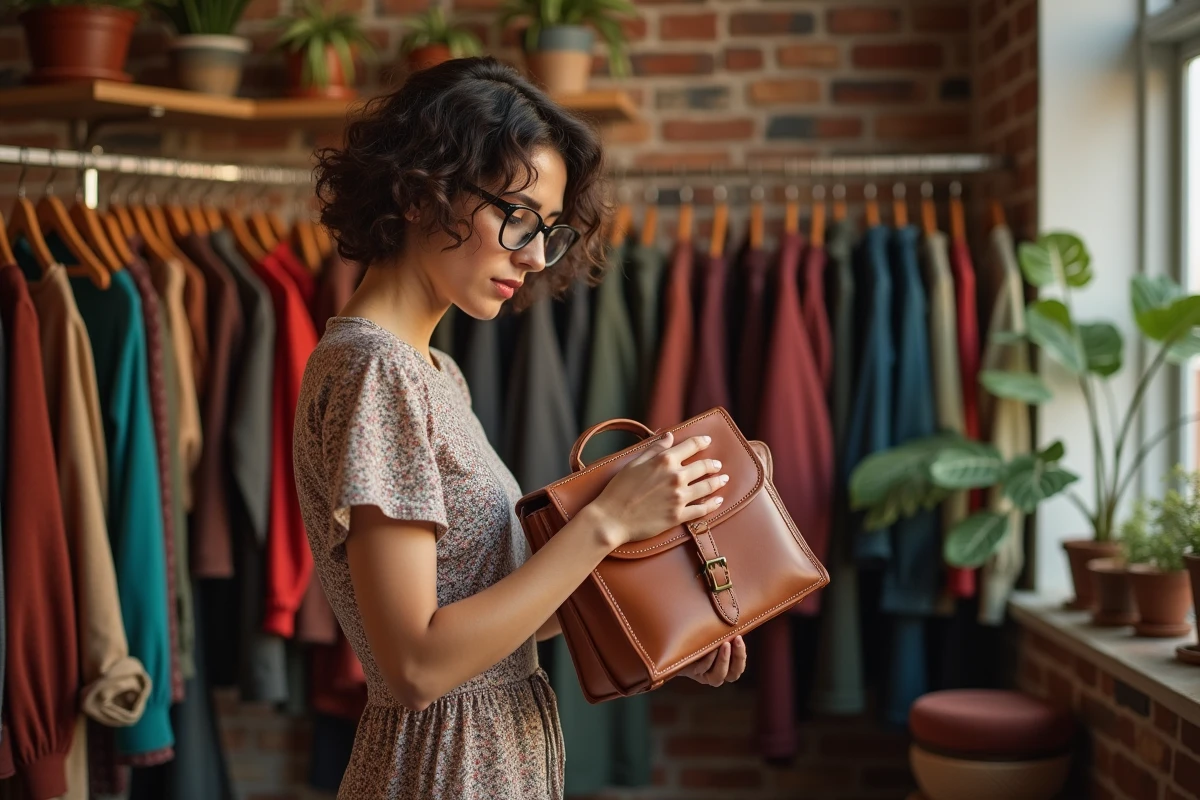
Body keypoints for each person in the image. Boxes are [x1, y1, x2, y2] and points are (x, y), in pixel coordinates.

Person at [292, 57, 748, 799]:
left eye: (549, 230)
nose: (535, 256)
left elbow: (489, 620)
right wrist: (603, 523)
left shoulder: (434, 371)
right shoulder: (380, 372)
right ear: (420, 192)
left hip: (486, 754)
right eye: (518, 217)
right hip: (445, 766)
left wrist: (651, 621)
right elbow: (416, 667)